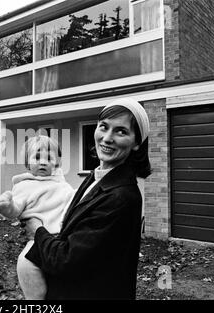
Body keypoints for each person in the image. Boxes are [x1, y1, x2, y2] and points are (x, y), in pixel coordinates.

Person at [23, 97, 152, 300]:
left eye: (121, 131)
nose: (107, 138)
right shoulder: (98, 176)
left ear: (136, 143)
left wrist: (37, 229)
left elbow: (66, 260)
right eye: (104, 127)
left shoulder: (122, 196)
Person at [0, 135, 75, 299]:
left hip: (63, 239)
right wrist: (6, 207)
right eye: (37, 157)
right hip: (36, 239)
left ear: (57, 163)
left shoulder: (63, 186)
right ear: (27, 163)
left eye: (49, 158)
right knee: (25, 262)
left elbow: (74, 204)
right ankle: (35, 298)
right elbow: (16, 209)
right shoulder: (24, 186)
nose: (43, 162)